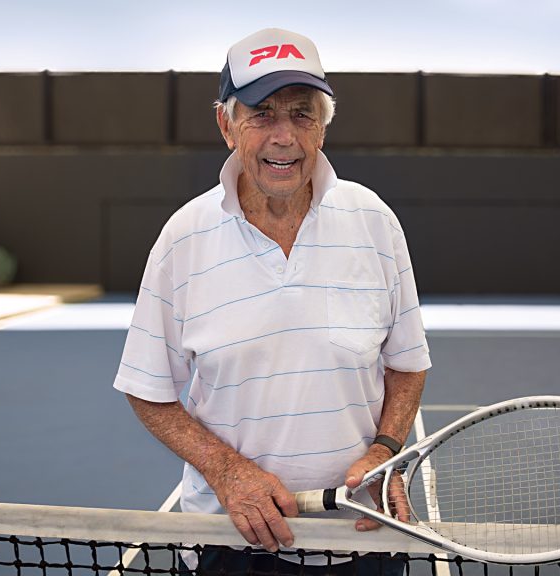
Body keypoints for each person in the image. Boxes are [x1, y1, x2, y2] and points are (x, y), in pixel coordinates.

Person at [113, 28, 431, 575]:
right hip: (234, 545)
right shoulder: (183, 238)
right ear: (226, 125)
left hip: (365, 539)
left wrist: (383, 450)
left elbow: (406, 363)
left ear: (323, 128)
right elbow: (148, 391)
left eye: (302, 114)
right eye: (261, 113)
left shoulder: (374, 220)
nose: (283, 136)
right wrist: (227, 470)